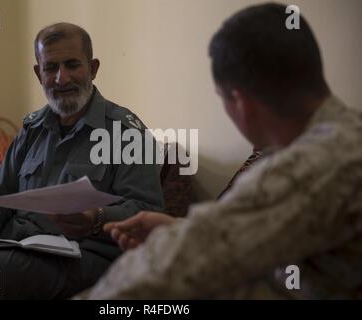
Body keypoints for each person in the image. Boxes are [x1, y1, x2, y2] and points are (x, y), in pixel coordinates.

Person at [80, 3, 362, 299]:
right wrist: (178, 229)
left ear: (241, 102)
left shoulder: (306, 166)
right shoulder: (347, 133)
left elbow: (170, 269)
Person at [0, 23, 164, 299]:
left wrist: (97, 219)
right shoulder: (32, 129)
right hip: (14, 240)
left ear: (93, 68)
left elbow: (148, 211)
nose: (62, 79)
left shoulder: (126, 132)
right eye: (51, 68)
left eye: (72, 65)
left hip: (81, 255)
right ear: (39, 73)